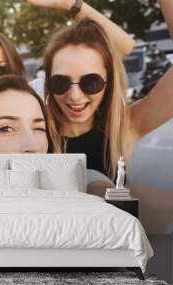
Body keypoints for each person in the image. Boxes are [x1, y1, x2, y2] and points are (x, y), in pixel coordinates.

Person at [41, 18, 173, 180]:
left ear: (108, 81)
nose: (75, 95)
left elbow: (126, 44)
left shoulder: (123, 126)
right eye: (60, 82)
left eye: (91, 82)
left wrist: (72, 4)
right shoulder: (35, 132)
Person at [0, 75, 112, 193]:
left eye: (39, 128)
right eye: (7, 129)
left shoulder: (78, 181)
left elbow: (93, 183)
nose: (33, 146)